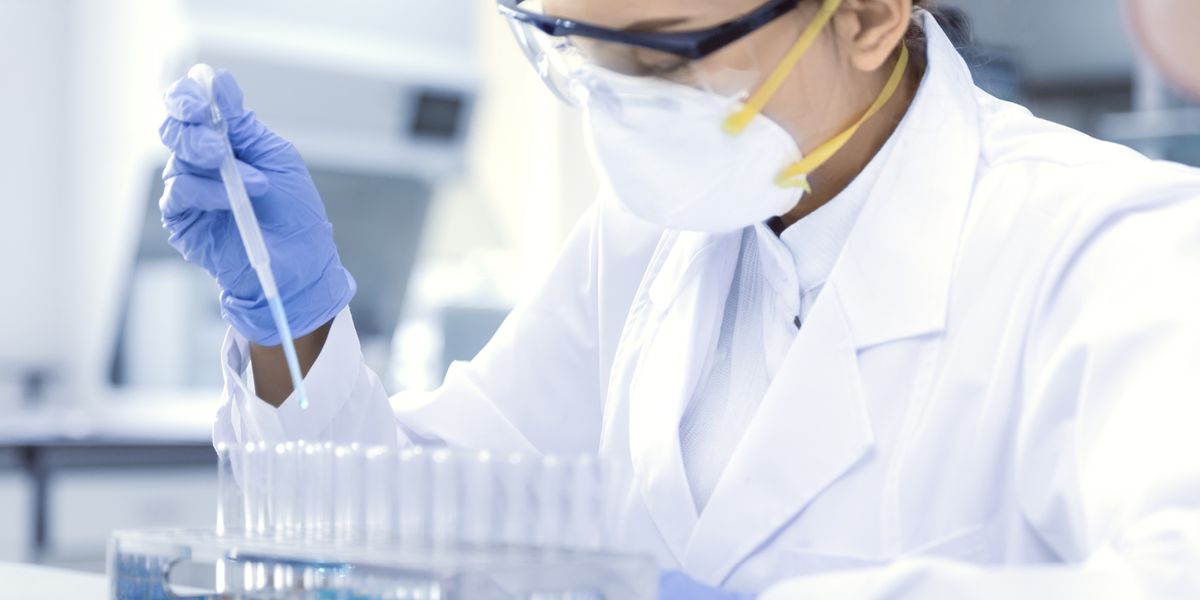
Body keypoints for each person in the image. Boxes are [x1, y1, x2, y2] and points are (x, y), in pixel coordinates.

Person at [157, 0, 1200, 597]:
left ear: (873, 16)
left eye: (662, 49)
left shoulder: (1118, 247)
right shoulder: (651, 236)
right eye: (576, 45)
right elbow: (423, 527)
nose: (617, 97)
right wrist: (291, 322)